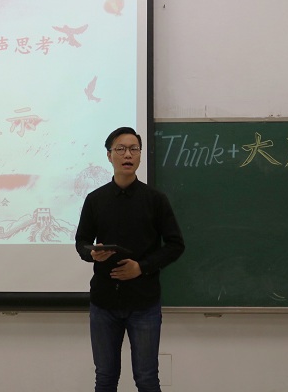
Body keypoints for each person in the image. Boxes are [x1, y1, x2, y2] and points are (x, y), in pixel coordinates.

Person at [75, 126, 185, 392]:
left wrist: (141, 268)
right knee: (105, 378)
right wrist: (92, 253)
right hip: (104, 303)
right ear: (109, 155)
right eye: (121, 149)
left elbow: (175, 245)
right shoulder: (95, 199)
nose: (128, 155)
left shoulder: (155, 200)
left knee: (147, 379)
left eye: (134, 149)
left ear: (140, 155)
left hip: (144, 303)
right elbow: (81, 242)